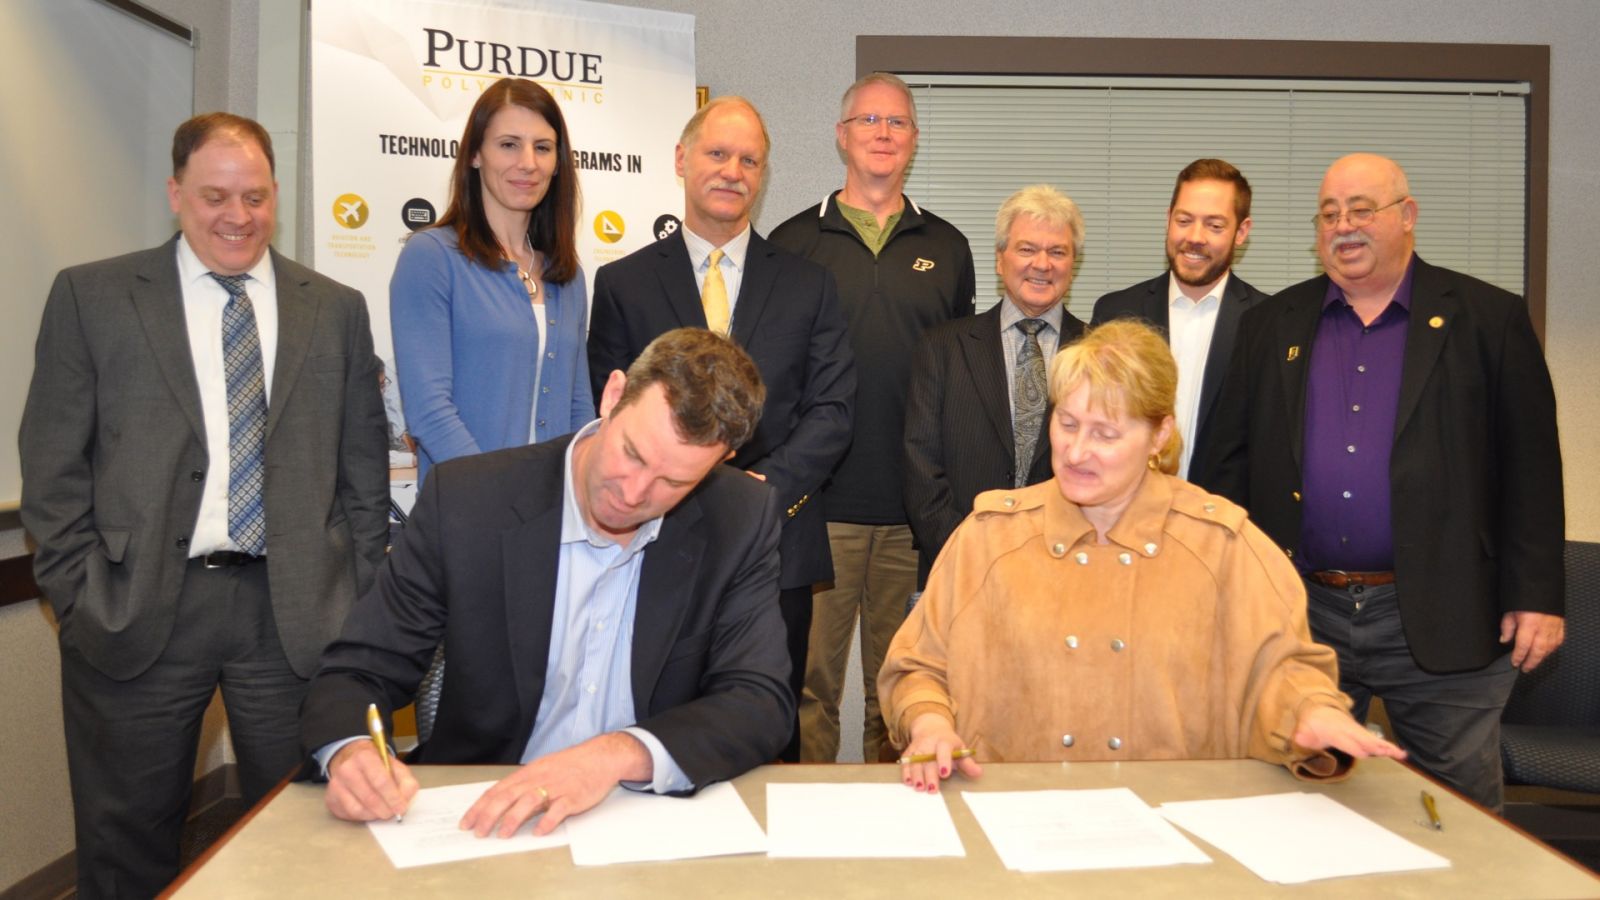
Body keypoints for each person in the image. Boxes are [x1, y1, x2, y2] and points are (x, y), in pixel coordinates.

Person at [19, 112, 389, 897]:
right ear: (175, 193)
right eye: (215, 195)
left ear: (275, 196)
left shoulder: (335, 308)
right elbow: (52, 467)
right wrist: (78, 596)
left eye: (254, 196)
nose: (237, 216)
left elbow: (364, 475)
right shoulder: (94, 297)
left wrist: (352, 599)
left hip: (294, 617)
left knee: (306, 837)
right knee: (124, 845)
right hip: (135, 606)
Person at [302, 328, 793, 837]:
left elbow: (758, 700)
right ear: (612, 395)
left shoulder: (739, 517)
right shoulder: (470, 502)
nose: (633, 492)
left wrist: (614, 755)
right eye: (633, 454)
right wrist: (351, 751)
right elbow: (358, 670)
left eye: (674, 482)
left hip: (648, 818)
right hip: (490, 813)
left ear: (720, 463)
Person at [880, 320, 1407, 792]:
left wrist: (1309, 711)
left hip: (1177, 826)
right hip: (1014, 819)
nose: (1077, 451)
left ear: (1160, 434)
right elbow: (918, 666)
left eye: (1106, 433)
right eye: (1067, 424)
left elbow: (1281, 668)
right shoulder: (988, 537)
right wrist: (928, 722)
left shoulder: (1223, 543)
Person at [1209, 153, 1565, 810]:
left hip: (1444, 609)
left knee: (1455, 814)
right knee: (1298, 798)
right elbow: (1226, 469)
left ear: (1408, 216)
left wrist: (1537, 594)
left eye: (1361, 209)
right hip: (1301, 612)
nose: (1344, 226)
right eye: (1329, 213)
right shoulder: (1271, 325)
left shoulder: (1488, 319)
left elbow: (1532, 467)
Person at [587, 97, 855, 762]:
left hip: (776, 541)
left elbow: (833, 410)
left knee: (771, 726)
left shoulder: (810, 285)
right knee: (655, 720)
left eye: (749, 160)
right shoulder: (622, 283)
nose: (733, 171)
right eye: (717, 153)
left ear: (761, 176)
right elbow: (607, 411)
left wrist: (762, 491)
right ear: (682, 160)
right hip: (650, 541)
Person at [768, 73, 975, 763]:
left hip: (912, 516)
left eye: (897, 122)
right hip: (817, 509)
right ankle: (809, 823)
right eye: (868, 121)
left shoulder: (948, 248)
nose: (883, 133)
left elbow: (963, 384)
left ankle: (899, 826)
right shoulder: (793, 241)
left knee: (903, 690)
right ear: (841, 135)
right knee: (810, 686)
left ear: (913, 140)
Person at [392, 77, 593, 485]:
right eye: (508, 144)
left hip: (556, 511)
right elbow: (430, 412)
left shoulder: (568, 276)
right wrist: (498, 496)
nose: (528, 163)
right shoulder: (431, 257)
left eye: (542, 147)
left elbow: (579, 408)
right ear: (475, 155)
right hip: (472, 508)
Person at [904, 185, 1087, 584]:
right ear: (1000, 260)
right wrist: (967, 550)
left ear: (1073, 263)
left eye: (1057, 251)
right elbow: (920, 465)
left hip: (1068, 570)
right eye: (1026, 249)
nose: (1042, 264)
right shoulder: (942, 347)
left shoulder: (1099, 354)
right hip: (959, 565)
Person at [1091, 159, 1270, 489]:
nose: (1195, 237)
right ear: (1168, 220)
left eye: (1214, 226)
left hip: (1224, 524)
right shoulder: (1116, 312)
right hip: (1125, 518)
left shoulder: (1267, 322)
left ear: (1241, 231)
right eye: (1184, 220)